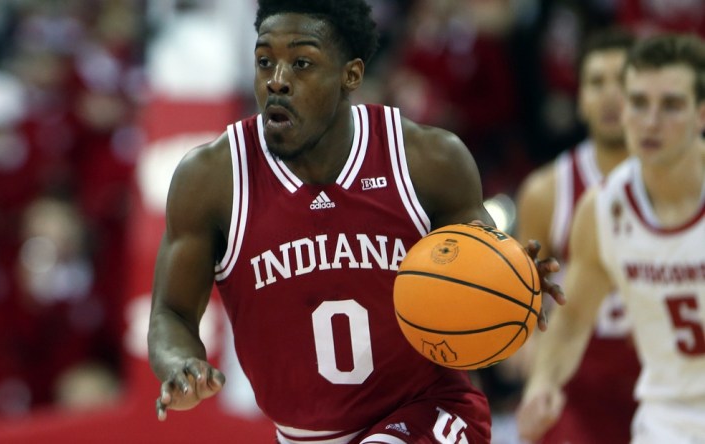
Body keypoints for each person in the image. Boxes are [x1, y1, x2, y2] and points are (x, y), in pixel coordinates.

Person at [147, 1, 563, 443]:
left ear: (351, 75)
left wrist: (511, 280)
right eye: (264, 61)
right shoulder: (212, 179)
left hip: (430, 409)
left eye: (302, 63)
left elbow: (485, 269)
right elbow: (170, 312)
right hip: (302, 434)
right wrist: (180, 365)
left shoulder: (426, 160)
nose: (277, 80)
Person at [517, 33, 705, 443]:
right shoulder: (600, 208)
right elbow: (573, 320)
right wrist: (543, 381)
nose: (651, 121)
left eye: (671, 105)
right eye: (638, 103)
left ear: (701, 114)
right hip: (665, 415)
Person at [512, 28, 641, 443]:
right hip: (576, 384)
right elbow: (517, 300)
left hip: (662, 374)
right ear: (580, 97)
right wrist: (526, 352)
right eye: (596, 83)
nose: (609, 96)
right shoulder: (547, 191)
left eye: (622, 82)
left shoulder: (682, 183)